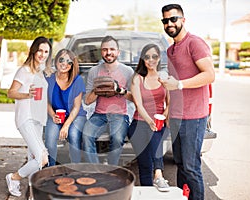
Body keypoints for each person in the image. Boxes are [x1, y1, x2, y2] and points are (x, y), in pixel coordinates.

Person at [160, 4, 215, 200]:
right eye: (165, 20)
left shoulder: (195, 43)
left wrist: (180, 84)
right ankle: (184, 197)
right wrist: (168, 111)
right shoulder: (170, 50)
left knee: (192, 167)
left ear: (183, 20)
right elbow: (172, 84)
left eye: (173, 19)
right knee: (180, 165)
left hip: (193, 117)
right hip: (175, 116)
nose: (169, 23)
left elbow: (209, 75)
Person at [5, 36, 52, 197]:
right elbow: (10, 93)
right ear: (34, 50)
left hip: (38, 118)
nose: (43, 54)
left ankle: (33, 193)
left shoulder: (41, 70)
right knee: (42, 158)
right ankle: (13, 177)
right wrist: (26, 94)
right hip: (26, 118)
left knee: (33, 155)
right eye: (40, 50)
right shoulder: (23, 70)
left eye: (46, 51)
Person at [82, 35, 134, 165]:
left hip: (120, 115)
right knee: (86, 136)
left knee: (116, 139)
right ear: (101, 52)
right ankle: (96, 170)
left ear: (118, 52)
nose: (108, 52)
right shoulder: (94, 71)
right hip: (99, 114)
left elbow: (134, 98)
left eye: (112, 49)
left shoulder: (127, 71)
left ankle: (111, 169)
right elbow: (87, 101)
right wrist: (97, 90)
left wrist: (118, 90)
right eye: (105, 49)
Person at [128, 43, 170, 191]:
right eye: (147, 57)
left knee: (155, 136)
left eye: (154, 56)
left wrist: (163, 116)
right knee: (144, 163)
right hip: (139, 123)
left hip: (158, 123)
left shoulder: (164, 78)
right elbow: (139, 105)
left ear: (159, 58)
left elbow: (169, 103)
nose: (151, 60)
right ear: (143, 59)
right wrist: (150, 121)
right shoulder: (137, 78)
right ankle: (148, 189)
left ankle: (158, 174)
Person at [45, 49, 87, 165]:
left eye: (69, 62)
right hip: (55, 114)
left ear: (72, 65)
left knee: (73, 135)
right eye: (61, 60)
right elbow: (46, 102)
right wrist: (53, 115)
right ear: (56, 61)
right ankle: (50, 169)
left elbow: (76, 107)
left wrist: (66, 126)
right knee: (49, 139)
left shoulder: (77, 80)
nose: (64, 64)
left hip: (76, 115)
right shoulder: (49, 78)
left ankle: (75, 167)